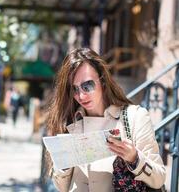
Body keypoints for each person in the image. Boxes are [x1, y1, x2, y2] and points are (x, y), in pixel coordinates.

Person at [46, 48, 166, 192]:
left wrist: (134, 158)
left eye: (87, 86)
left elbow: (159, 179)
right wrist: (64, 163)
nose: (81, 96)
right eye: (74, 89)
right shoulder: (69, 123)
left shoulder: (135, 117)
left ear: (102, 81)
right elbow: (62, 187)